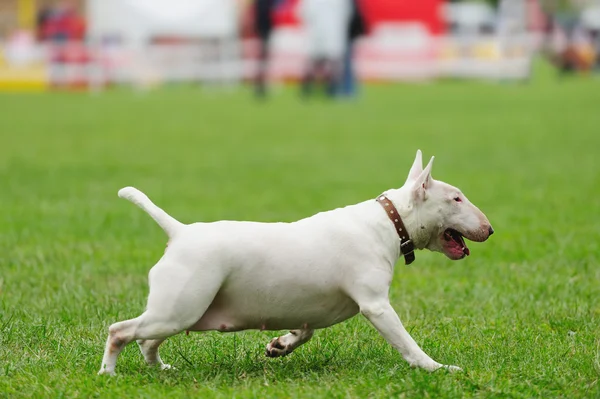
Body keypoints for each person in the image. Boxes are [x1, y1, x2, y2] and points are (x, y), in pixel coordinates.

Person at [299, 0, 351, 98]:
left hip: (324, 33)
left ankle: (329, 88)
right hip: (325, 33)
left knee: (324, 62)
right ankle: (324, 88)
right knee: (325, 62)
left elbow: (303, 13)